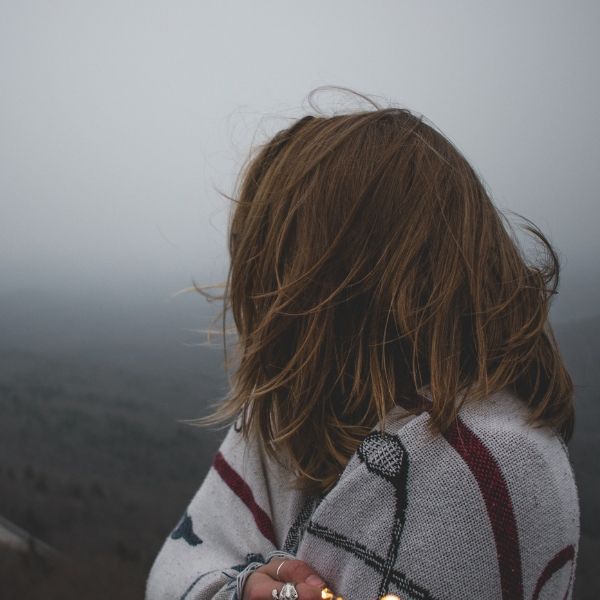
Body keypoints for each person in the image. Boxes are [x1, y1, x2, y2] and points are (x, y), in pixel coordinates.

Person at [145, 89, 580, 600]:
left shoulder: (478, 468)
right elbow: (177, 570)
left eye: (276, 264)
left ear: (330, 287)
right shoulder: (289, 420)